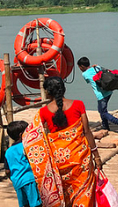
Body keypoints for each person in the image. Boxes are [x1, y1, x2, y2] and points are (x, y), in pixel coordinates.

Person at [23, 76, 101, 207]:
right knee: (84, 191)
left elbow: (30, 136)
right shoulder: (78, 104)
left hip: (59, 162)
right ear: (63, 89)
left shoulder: (43, 112)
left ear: (47, 92)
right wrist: (96, 156)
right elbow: (87, 132)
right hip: (80, 159)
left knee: (66, 195)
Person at [77, 56, 118, 134]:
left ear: (82, 66)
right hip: (108, 91)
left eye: (79, 67)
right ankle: (105, 126)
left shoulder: (85, 74)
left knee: (103, 112)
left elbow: (89, 80)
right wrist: (95, 66)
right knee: (102, 110)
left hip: (101, 95)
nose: (80, 69)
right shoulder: (97, 67)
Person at [4, 121, 42, 207]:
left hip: (18, 182)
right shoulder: (26, 147)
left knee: (24, 204)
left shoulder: (8, 152)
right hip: (30, 180)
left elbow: (7, 170)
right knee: (35, 204)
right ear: (22, 134)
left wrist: (13, 179)